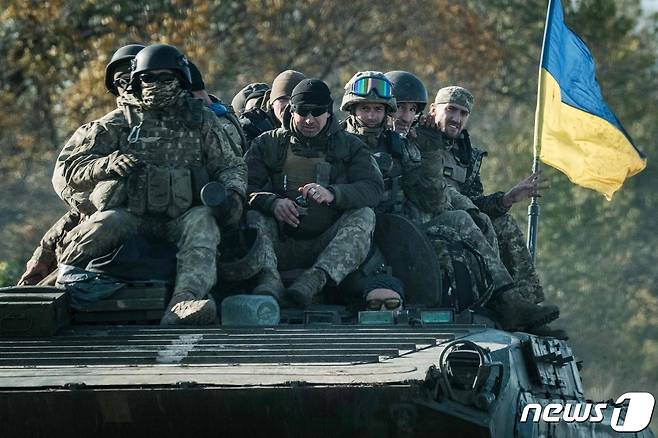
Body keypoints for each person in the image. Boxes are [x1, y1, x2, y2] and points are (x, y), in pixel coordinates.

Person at [54, 44, 247, 325]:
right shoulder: (119, 122)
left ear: (180, 80)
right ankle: (65, 283)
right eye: (149, 78)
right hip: (132, 215)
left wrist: (231, 196)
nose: (157, 85)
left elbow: (230, 165)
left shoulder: (201, 121)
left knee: (203, 223)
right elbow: (69, 168)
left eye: (166, 78)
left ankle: (185, 301)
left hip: (183, 215)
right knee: (104, 222)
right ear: (136, 81)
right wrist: (105, 165)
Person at [417, 85, 563, 335]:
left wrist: (506, 199)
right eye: (451, 109)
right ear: (433, 110)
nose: (456, 118)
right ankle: (506, 301)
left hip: (460, 218)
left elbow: (473, 201)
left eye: (463, 113)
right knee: (466, 219)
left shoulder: (466, 155)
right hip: (423, 219)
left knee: (503, 224)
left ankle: (525, 308)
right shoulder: (417, 137)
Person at [245, 78, 383, 307]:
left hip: (327, 243)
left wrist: (334, 194)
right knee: (253, 218)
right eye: (303, 112)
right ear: (292, 110)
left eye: (317, 112)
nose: (309, 120)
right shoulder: (268, 144)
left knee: (364, 215)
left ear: (328, 113)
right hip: (280, 241)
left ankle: (315, 281)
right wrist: (271, 203)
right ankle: (269, 281)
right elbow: (243, 186)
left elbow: (373, 189)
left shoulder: (349, 146)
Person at [18, 44, 146, 286]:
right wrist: (107, 173)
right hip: (102, 222)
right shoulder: (102, 129)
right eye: (121, 81)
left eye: (136, 78)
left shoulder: (182, 122)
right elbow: (66, 181)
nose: (129, 86)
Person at [239, 70, 306, 147]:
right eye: (283, 99)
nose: (289, 105)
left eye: (294, 100)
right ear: (272, 103)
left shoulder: (313, 122)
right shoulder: (252, 125)